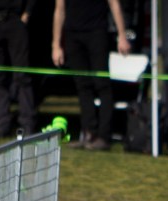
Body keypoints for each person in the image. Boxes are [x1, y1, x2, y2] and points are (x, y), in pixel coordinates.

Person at [52, 0, 131, 150]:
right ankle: (88, 133)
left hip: (97, 33)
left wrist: (122, 36)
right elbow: (59, 10)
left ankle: (104, 136)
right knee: (82, 86)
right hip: (72, 35)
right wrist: (56, 45)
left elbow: (114, 4)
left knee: (102, 85)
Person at [0, 0, 39, 138]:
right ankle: (2, 123)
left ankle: (27, 123)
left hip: (16, 18)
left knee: (23, 76)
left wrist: (27, 12)